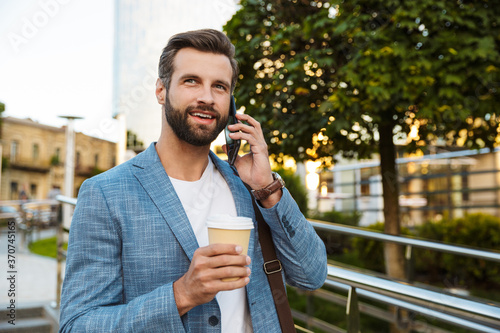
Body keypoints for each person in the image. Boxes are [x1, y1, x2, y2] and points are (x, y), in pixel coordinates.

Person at [59, 29, 327, 333]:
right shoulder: (104, 194)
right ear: (161, 90)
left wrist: (268, 188)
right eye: (191, 81)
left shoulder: (249, 186)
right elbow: (78, 325)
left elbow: (312, 275)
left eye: (220, 87)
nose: (207, 98)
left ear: (231, 103)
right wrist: (181, 295)